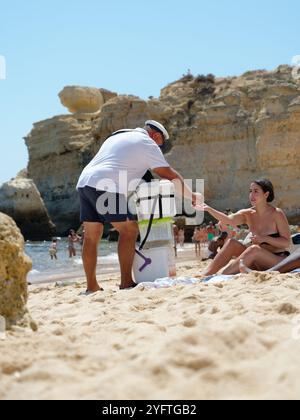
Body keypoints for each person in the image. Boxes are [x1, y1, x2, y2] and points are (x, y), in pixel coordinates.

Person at [76, 120, 203, 293]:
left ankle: (92, 286)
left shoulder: (119, 135)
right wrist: (192, 196)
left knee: (91, 236)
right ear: (156, 136)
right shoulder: (147, 143)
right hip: (105, 185)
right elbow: (168, 174)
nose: (158, 149)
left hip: (84, 182)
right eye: (160, 144)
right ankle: (126, 282)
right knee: (129, 230)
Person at [195, 179, 291, 276]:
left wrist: (264, 239)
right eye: (250, 191)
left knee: (254, 249)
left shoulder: (276, 213)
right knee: (231, 243)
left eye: (256, 191)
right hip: (256, 261)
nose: (252, 195)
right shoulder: (247, 214)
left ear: (266, 195)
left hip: (277, 261)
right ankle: (205, 275)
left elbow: (286, 243)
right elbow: (229, 220)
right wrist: (209, 209)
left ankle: (222, 275)